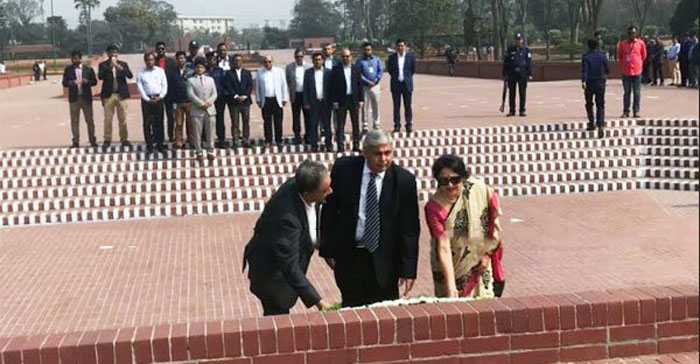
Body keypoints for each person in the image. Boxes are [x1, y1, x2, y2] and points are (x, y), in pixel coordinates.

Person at [320, 130, 420, 307]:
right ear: (365, 152)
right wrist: (327, 248)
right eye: (377, 154)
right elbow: (329, 210)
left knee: (385, 315)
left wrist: (409, 269)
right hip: (351, 257)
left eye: (387, 153)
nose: (383, 159)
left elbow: (409, 228)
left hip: (386, 261)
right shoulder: (344, 169)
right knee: (353, 313)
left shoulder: (404, 181)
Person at [243, 160, 332, 316]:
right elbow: (289, 265)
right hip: (272, 275)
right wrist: (318, 302)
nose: (330, 191)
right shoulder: (287, 219)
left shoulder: (304, 183)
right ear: (308, 194)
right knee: (277, 318)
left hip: (281, 264)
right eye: (324, 191)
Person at [424, 154, 505, 299]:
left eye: (455, 180)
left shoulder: (478, 190)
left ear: (464, 178)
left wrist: (486, 254)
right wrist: (451, 287)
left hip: (481, 263)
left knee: (484, 306)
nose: (450, 185)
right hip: (451, 268)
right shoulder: (434, 208)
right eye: (444, 181)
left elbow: (491, 223)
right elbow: (443, 246)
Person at [99, 44, 133, 150]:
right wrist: (110, 66)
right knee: (108, 119)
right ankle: (107, 139)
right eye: (111, 52)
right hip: (109, 95)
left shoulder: (123, 64)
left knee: (122, 118)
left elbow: (129, 75)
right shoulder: (103, 65)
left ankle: (124, 139)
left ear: (117, 53)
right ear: (107, 54)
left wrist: (118, 66)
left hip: (121, 95)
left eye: (115, 52)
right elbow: (100, 76)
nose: (113, 54)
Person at [62, 50, 98, 148]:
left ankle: (92, 140)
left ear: (80, 59)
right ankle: (75, 141)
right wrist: (71, 83)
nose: (74, 60)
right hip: (74, 98)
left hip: (86, 98)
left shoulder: (88, 69)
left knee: (89, 120)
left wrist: (87, 82)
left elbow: (94, 81)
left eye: (76, 58)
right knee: (74, 120)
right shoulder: (68, 69)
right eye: (73, 59)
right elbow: (64, 82)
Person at [331, 48, 364, 153]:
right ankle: (340, 146)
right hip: (341, 100)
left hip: (353, 99)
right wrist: (334, 101)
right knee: (340, 124)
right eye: (343, 56)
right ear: (341, 57)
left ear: (351, 57)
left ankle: (356, 145)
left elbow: (360, 85)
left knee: (355, 124)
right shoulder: (336, 70)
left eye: (347, 56)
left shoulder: (356, 69)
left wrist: (361, 99)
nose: (345, 58)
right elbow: (333, 87)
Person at [137, 51, 168, 155]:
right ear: (145, 61)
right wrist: (147, 99)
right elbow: (139, 87)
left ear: (154, 60)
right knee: (147, 124)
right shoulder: (141, 72)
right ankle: (149, 146)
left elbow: (164, 85)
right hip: (147, 100)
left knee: (159, 123)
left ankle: (160, 145)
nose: (150, 62)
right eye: (148, 60)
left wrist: (161, 96)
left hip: (159, 99)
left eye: (151, 60)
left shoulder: (160, 71)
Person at [187, 57, 218, 164]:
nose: (199, 69)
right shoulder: (190, 80)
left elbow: (214, 93)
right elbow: (191, 95)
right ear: (195, 68)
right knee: (197, 133)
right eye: (197, 67)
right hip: (197, 110)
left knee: (210, 132)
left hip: (210, 110)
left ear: (205, 69)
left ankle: (210, 151)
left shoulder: (210, 80)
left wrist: (209, 102)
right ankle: (199, 152)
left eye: (201, 67)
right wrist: (201, 104)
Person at [255, 55, 289, 147]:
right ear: (263, 63)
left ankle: (279, 140)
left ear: (272, 62)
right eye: (265, 62)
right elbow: (257, 87)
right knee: (267, 121)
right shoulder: (260, 73)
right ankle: (268, 140)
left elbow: (283, 85)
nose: (267, 63)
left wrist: (284, 98)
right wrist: (258, 99)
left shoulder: (279, 72)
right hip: (266, 100)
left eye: (269, 61)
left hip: (277, 100)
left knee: (278, 121)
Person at [303, 52, 333, 153]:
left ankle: (328, 145)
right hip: (313, 102)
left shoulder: (329, 72)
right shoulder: (308, 73)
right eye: (315, 60)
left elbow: (331, 89)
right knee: (313, 125)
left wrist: (332, 102)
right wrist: (306, 102)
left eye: (319, 59)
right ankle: (314, 145)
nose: (317, 61)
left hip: (326, 103)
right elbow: (305, 88)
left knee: (327, 125)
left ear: (323, 60)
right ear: (313, 61)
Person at [387, 39, 416, 133]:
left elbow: (412, 70)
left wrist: (406, 78)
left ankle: (408, 124)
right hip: (396, 84)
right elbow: (390, 70)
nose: (400, 47)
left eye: (402, 46)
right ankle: (397, 125)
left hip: (406, 84)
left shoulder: (410, 57)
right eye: (398, 46)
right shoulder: (391, 58)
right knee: (396, 106)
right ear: (396, 47)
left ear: (405, 46)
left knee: (408, 105)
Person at [582, 39, 609, 138]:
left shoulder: (586, 57)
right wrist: (604, 77)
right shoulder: (602, 56)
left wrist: (583, 81)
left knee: (589, 103)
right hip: (600, 81)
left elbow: (585, 69)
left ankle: (591, 123)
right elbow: (607, 68)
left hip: (589, 82)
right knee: (600, 104)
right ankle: (600, 124)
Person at [617, 26, 646, 118]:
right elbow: (620, 56)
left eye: (633, 33)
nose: (631, 35)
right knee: (627, 92)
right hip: (626, 71)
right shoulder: (622, 44)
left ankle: (636, 111)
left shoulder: (640, 43)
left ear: (636, 34)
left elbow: (643, 55)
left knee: (637, 92)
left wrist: (638, 63)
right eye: (629, 33)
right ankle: (626, 111)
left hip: (637, 71)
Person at [205, 52, 233, 148]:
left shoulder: (220, 71)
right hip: (207, 100)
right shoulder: (204, 71)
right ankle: (207, 140)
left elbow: (224, 84)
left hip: (219, 99)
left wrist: (220, 94)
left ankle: (221, 139)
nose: (211, 61)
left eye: (213, 59)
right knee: (207, 119)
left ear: (217, 60)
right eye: (209, 59)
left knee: (219, 119)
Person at [503, 33, 533, 117]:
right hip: (512, 74)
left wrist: (529, 74)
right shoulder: (510, 50)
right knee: (512, 93)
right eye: (516, 40)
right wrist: (504, 74)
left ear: (522, 40)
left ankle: (522, 110)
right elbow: (505, 62)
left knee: (522, 93)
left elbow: (529, 63)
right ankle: (512, 111)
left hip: (522, 74)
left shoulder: (526, 50)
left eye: (519, 39)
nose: (518, 41)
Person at [356, 42, 383, 133]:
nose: (367, 51)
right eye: (365, 50)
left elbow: (380, 70)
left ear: (372, 50)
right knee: (364, 107)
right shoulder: (360, 61)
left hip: (375, 86)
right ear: (363, 50)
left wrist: (376, 80)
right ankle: (365, 125)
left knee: (376, 106)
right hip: (364, 87)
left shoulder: (377, 60)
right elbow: (358, 74)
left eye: (369, 49)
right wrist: (368, 82)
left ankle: (377, 124)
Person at [170, 51, 195, 149]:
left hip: (189, 101)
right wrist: (173, 102)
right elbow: (171, 87)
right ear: (176, 60)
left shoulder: (191, 72)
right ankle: (179, 141)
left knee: (191, 122)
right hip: (178, 101)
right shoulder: (172, 72)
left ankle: (192, 141)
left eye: (182, 58)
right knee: (179, 123)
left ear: (185, 59)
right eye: (179, 58)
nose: (181, 60)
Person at [286, 49, 311, 145]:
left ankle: (308, 136)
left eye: (301, 56)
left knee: (307, 117)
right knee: (296, 117)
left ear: (303, 56)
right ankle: (297, 136)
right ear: (294, 57)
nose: (299, 59)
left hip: (306, 95)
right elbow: (288, 81)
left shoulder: (309, 67)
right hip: (295, 95)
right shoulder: (289, 67)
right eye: (297, 57)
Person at [154, 41, 178, 143]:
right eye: (158, 49)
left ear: (165, 49)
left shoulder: (171, 62)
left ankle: (171, 135)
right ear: (156, 50)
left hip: (170, 92)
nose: (160, 50)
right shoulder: (153, 61)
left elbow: (175, 77)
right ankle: (159, 136)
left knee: (170, 116)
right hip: (157, 92)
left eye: (162, 49)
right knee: (158, 116)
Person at [230, 54, 254, 148]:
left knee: (246, 122)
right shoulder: (229, 73)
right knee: (235, 123)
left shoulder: (247, 73)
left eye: (239, 60)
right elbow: (228, 86)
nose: (238, 62)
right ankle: (235, 141)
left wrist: (244, 96)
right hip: (234, 102)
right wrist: (235, 96)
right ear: (233, 62)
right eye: (236, 60)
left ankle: (246, 140)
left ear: (242, 62)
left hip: (245, 102)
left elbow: (250, 86)